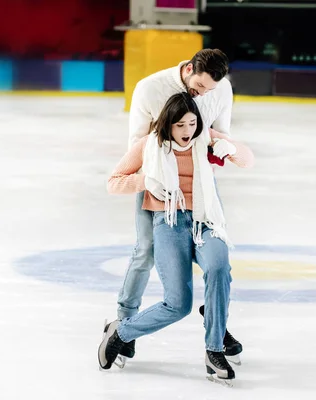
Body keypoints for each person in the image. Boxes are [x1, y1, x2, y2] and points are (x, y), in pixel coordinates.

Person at [98, 92, 254, 384]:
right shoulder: (149, 146)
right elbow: (113, 182)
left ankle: (214, 350)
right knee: (178, 304)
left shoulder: (204, 137)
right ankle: (120, 332)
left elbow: (247, 160)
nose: (187, 131)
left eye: (192, 123)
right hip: (169, 222)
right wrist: (146, 180)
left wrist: (227, 146)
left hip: (206, 221)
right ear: (168, 124)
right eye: (180, 125)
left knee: (219, 269)